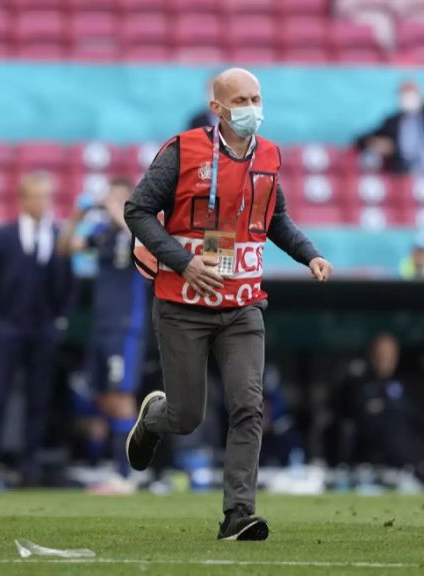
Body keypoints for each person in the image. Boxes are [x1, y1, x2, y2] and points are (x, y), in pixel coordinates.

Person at [123, 67, 333, 541]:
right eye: (240, 100)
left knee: (248, 406)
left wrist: (311, 254)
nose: (251, 109)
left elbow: (275, 218)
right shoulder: (182, 151)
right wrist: (182, 263)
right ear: (216, 108)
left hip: (243, 305)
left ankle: (238, 514)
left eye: (256, 98)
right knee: (187, 416)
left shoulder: (270, 157)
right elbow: (135, 210)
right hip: (184, 302)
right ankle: (154, 420)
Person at [0, 172, 75, 487]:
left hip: (43, 330)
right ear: (23, 199)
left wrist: (60, 320)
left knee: (38, 399)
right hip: (8, 330)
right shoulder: (3, 235)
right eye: (37, 196)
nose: (43, 203)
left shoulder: (59, 235)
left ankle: (28, 467)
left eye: (47, 196)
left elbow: (70, 284)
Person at [57, 178, 148, 484]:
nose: (111, 205)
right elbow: (66, 248)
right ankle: (115, 464)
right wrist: (75, 218)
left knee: (122, 396)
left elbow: (145, 246)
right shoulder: (103, 234)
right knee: (104, 398)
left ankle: (127, 474)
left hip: (125, 326)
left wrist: (118, 211)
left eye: (119, 199)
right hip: (102, 324)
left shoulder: (136, 230)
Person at [335, 333, 424, 487]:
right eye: (381, 354)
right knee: (393, 430)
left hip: (406, 441)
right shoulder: (359, 383)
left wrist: (385, 407)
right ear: (372, 355)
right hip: (373, 442)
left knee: (416, 438)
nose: (385, 359)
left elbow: (412, 414)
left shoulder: (401, 384)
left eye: (390, 355)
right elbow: (359, 412)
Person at [355, 81, 424, 176]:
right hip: (407, 173)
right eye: (404, 94)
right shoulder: (392, 121)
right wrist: (377, 144)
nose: (407, 98)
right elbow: (361, 139)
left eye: (410, 93)